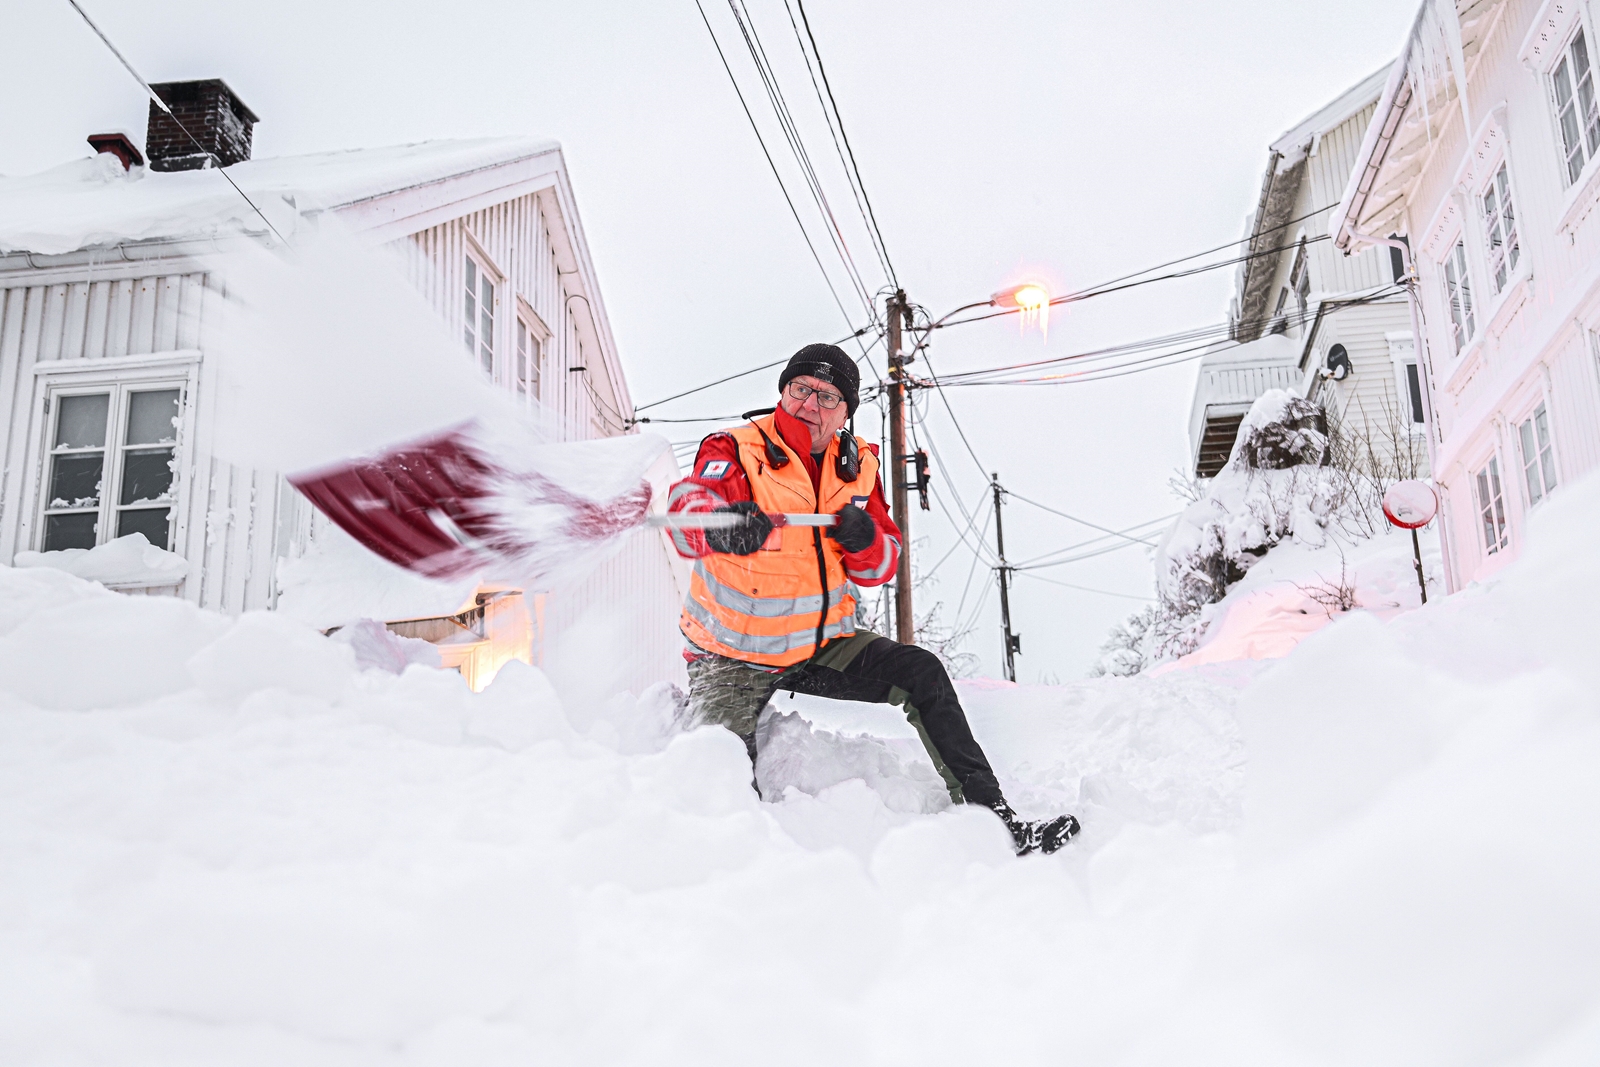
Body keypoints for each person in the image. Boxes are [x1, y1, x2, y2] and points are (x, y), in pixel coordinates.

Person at [666, 342, 1079, 855]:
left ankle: (995, 822)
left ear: (846, 412)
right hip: (732, 653)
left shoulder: (857, 467)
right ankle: (750, 872)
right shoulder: (734, 449)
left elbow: (882, 566)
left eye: (828, 397)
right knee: (717, 777)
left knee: (921, 672)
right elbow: (688, 516)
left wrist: (863, 539)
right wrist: (723, 527)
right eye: (802, 389)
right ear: (783, 391)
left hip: (818, 645)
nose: (810, 405)